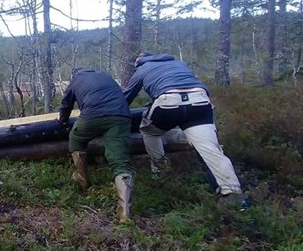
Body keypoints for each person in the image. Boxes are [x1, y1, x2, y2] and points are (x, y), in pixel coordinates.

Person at [123, 53, 247, 208]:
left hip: (168, 102)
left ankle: (160, 171)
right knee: (211, 149)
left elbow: (127, 97)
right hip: (200, 100)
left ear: (139, 63)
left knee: (149, 131)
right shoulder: (179, 63)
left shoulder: (142, 68)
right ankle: (233, 194)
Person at [59, 68, 135, 223]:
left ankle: (82, 179)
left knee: (76, 138)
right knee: (120, 160)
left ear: (74, 74)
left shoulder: (76, 80)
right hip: (120, 116)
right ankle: (124, 211)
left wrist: (63, 121)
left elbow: (66, 104)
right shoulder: (106, 76)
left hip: (92, 115)